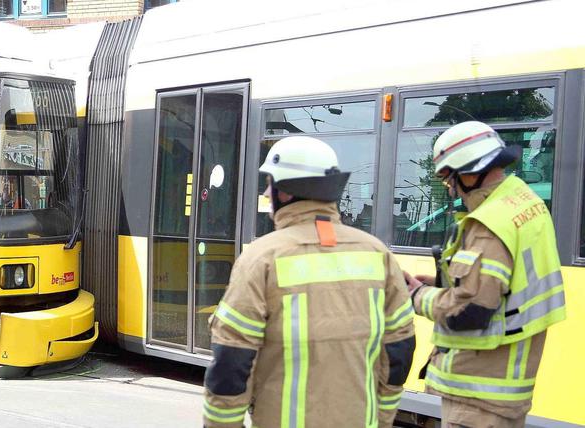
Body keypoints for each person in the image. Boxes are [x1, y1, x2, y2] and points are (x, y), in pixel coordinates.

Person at [204, 136, 416, 428]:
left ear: (287, 193)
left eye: (271, 184)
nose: (267, 193)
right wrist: (381, 420)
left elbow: (231, 361)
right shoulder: (378, 254)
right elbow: (399, 353)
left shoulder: (261, 258)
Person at [403, 121, 566, 428]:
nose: (450, 188)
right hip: (505, 386)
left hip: (477, 392)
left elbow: (469, 312)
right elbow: (503, 286)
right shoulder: (523, 202)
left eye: (449, 178)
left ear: (469, 172)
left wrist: (416, 296)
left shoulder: (488, 224)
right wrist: (442, 284)